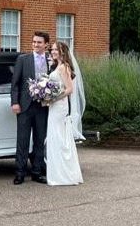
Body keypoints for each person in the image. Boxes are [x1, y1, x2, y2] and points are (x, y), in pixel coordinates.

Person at [10, 31, 50, 185]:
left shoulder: (50, 60)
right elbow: (15, 84)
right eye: (34, 42)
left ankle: (37, 172)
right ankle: (19, 173)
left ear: (46, 44)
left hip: (43, 107)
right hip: (25, 106)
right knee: (22, 140)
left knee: (40, 140)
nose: (35, 44)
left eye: (39, 42)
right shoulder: (23, 59)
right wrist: (15, 102)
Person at [46, 42, 84, 186]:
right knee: (54, 137)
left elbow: (69, 89)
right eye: (53, 49)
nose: (53, 51)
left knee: (60, 138)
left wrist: (53, 98)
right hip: (54, 106)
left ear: (63, 52)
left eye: (56, 49)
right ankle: (57, 173)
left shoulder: (63, 67)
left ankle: (64, 175)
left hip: (60, 107)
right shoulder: (56, 66)